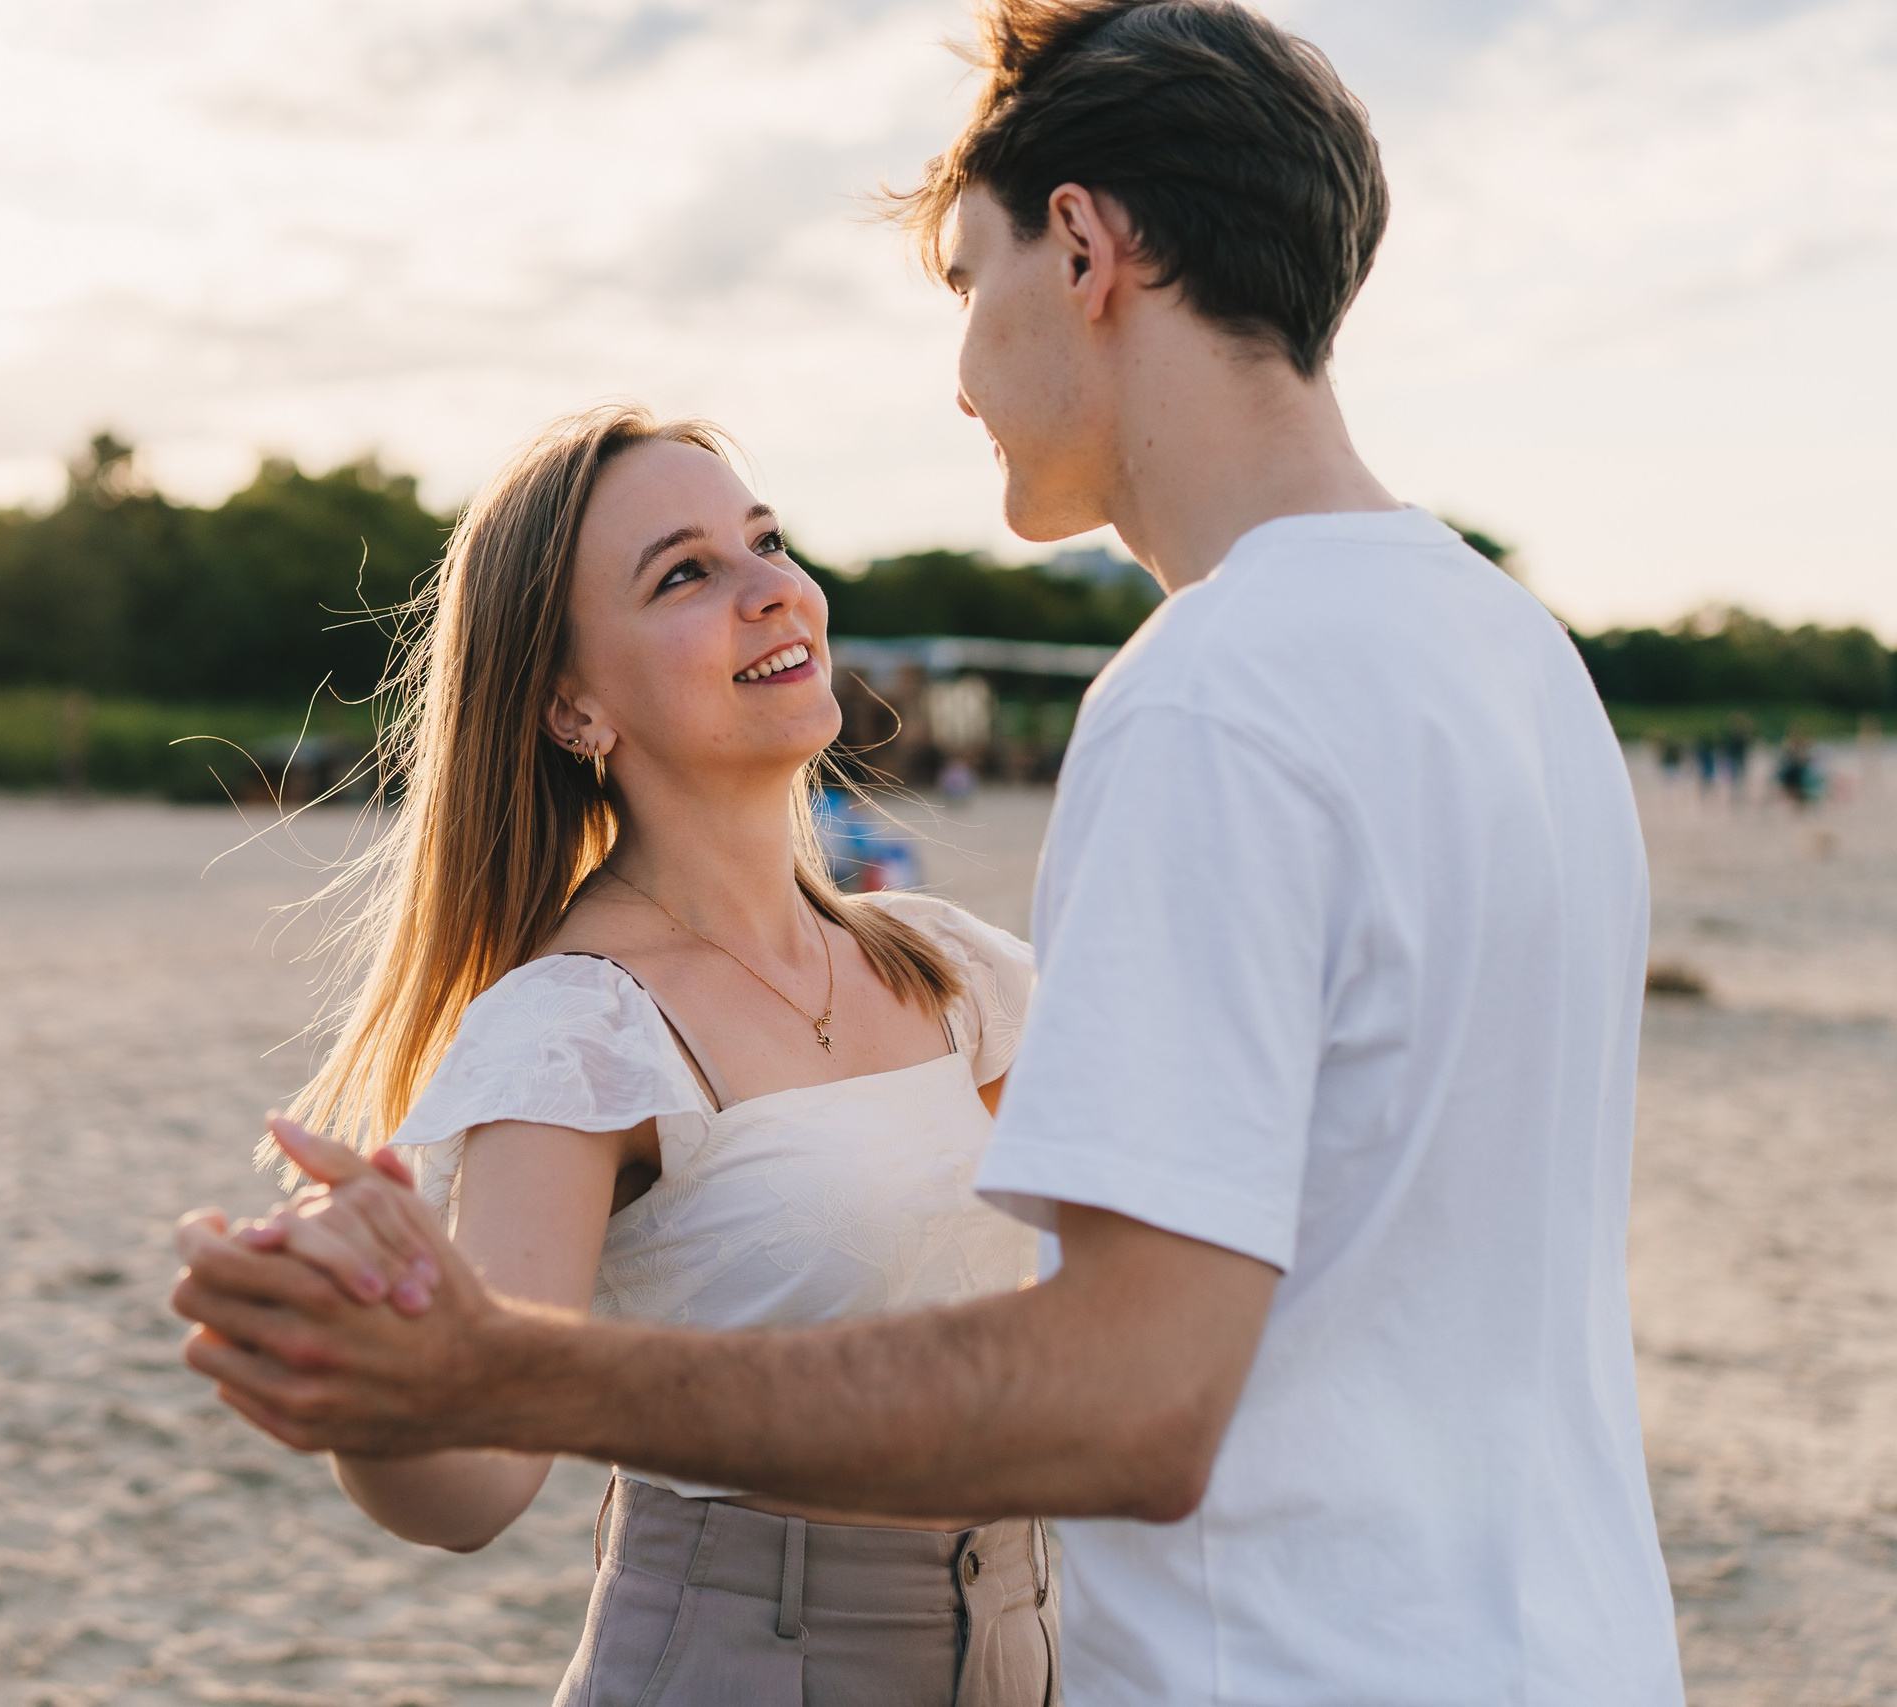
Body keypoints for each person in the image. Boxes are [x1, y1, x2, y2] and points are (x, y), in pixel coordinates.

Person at [176, 1, 1688, 1701]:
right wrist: (430, 1374)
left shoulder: (1205, 701)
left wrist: (512, 1372)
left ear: (1084, 247)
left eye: (968, 288)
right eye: (686, 570)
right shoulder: (1517, 655)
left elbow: (1129, 1401)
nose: (961, 373)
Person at [215, 403, 1058, 1703]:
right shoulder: (581, 1027)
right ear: (572, 706)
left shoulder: (952, 969)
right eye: (687, 573)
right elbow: (476, 1479)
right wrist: (371, 1374)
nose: (772, 590)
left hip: (1040, 1638)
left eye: (767, 542)